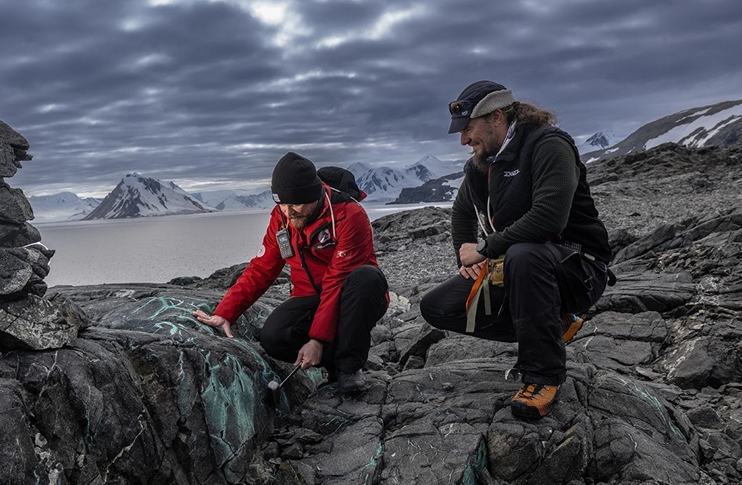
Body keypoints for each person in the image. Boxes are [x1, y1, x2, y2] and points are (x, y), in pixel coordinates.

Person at [420, 80, 612, 419]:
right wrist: (463, 254)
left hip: (578, 267)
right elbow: (462, 210)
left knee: (524, 254)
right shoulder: (482, 162)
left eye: (467, 129)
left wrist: (485, 248)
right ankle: (553, 324)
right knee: (437, 307)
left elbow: (548, 218)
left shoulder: (549, 145)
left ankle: (543, 376)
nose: (463, 140)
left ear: (496, 117)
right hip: (522, 271)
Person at [194, 152, 389, 394]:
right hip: (311, 298)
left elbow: (336, 281)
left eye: (295, 204)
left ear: (314, 195)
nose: (288, 212)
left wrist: (317, 340)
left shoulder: (349, 215)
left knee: (366, 278)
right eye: (282, 204)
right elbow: (262, 268)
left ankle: (348, 367)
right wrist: (225, 313)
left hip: (352, 297)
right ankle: (332, 357)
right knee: (274, 338)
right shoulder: (282, 218)